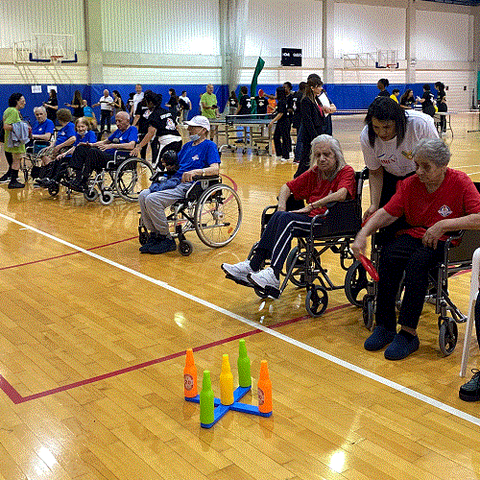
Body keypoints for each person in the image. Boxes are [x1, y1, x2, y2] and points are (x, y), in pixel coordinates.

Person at [352, 138, 480, 360]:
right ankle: (385, 326)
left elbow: (478, 217)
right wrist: (363, 234)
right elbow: (386, 213)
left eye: (426, 167)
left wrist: (443, 224)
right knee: (389, 257)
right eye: (417, 165)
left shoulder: (460, 182)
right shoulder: (410, 184)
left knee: (417, 265)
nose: (419, 171)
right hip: (416, 235)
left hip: (445, 241)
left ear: (443, 166)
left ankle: (409, 334)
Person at [222, 134, 355, 298]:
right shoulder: (315, 172)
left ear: (336, 155)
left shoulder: (345, 171)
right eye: (318, 155)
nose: (321, 159)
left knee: (287, 221)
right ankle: (254, 265)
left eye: (326, 155)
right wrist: (281, 206)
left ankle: (273, 274)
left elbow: (341, 194)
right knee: (280, 215)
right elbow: (286, 187)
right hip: (313, 220)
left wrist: (312, 205)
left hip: (330, 221)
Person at [138, 115, 220, 255]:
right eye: (189, 126)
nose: (189, 129)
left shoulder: (209, 146)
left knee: (152, 199)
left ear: (203, 130)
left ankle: (166, 238)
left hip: (191, 184)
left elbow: (215, 169)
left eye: (193, 127)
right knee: (143, 195)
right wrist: (169, 165)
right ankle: (155, 235)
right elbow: (177, 165)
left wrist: (196, 171)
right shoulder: (187, 146)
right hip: (174, 179)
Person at [360, 96, 438, 222]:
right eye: (376, 127)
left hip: (420, 176)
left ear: (398, 121)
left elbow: (437, 160)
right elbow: (375, 172)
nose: (381, 133)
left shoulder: (420, 124)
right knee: (388, 224)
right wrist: (374, 204)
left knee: (420, 220)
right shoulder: (367, 136)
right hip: (390, 177)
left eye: (386, 127)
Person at [69, 111, 137, 191]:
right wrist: (90, 144)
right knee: (81, 148)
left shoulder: (132, 129)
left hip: (118, 157)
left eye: (120, 121)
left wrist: (112, 145)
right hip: (108, 154)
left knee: (93, 152)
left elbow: (131, 145)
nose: (117, 123)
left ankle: (84, 180)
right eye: (116, 121)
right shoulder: (118, 131)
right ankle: (77, 178)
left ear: (127, 121)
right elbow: (105, 142)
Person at [36, 116, 97, 188]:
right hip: (75, 156)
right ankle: (48, 178)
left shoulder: (91, 134)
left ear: (87, 126)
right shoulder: (77, 135)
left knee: (63, 164)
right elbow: (74, 147)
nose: (80, 129)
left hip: (85, 157)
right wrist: (64, 154)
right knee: (59, 159)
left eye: (82, 127)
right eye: (78, 127)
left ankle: (54, 180)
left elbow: (92, 146)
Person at [131, 91, 182, 167]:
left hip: (167, 142)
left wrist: (139, 146)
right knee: (173, 165)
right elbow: (176, 126)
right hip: (178, 140)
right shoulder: (166, 111)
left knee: (159, 166)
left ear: (151, 103)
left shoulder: (154, 115)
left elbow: (151, 133)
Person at [295, 74, 325, 177]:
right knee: (305, 161)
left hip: (318, 133)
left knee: (311, 161)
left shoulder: (316, 99)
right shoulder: (306, 101)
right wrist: (314, 137)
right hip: (310, 136)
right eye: (319, 86)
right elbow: (308, 121)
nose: (321, 88)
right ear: (312, 88)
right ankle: (297, 179)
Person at [2, 93, 27, 188]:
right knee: (16, 161)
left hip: (10, 141)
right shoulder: (13, 111)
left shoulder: (8, 110)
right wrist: (22, 127)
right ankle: (13, 181)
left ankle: (12, 178)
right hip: (15, 142)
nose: (24, 103)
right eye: (23, 100)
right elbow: (6, 126)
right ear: (17, 101)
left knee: (14, 161)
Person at [269, 86, 291, 162]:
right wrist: (274, 110)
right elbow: (279, 110)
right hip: (281, 122)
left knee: (285, 138)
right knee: (276, 137)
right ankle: (279, 153)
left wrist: (272, 121)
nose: (275, 93)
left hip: (284, 121)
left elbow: (281, 113)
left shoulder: (282, 101)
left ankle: (286, 156)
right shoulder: (282, 100)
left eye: (276, 92)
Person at [292, 82, 306, 163]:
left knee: (299, 137)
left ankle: (298, 155)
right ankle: (298, 156)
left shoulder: (295, 95)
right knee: (301, 139)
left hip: (295, 118)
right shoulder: (302, 96)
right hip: (301, 119)